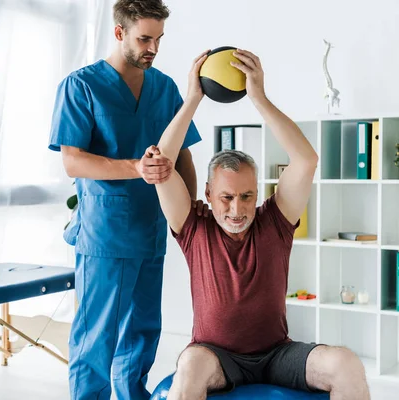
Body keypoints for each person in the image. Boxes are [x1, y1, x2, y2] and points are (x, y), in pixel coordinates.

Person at [146, 49, 371, 399]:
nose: (238, 209)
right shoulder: (194, 227)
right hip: (214, 355)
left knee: (346, 364)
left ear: (257, 193)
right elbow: (161, 165)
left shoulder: (275, 223)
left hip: (277, 354)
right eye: (226, 197)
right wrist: (193, 98)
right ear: (208, 193)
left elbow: (306, 159)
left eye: (247, 196)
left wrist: (258, 97)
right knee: (189, 367)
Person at [47, 1, 202, 398]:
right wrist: (136, 168)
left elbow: (181, 152)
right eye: (144, 38)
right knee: (97, 337)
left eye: (158, 39)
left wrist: (190, 212)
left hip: (152, 228)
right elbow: (73, 161)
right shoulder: (81, 86)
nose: (152, 48)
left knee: (144, 332)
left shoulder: (164, 87)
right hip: (105, 234)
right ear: (119, 33)